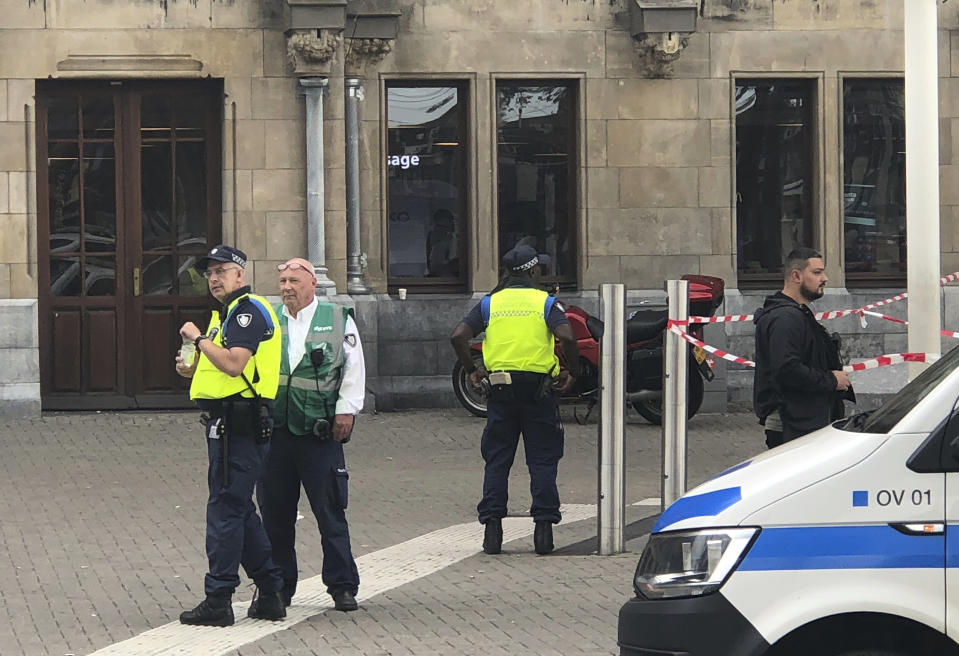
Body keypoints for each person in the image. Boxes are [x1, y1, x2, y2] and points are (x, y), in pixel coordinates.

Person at [174, 244, 286, 627]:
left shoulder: (247, 312)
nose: (215, 278)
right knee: (238, 510)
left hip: (241, 426)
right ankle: (271, 591)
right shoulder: (227, 314)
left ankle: (219, 598)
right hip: (226, 425)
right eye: (209, 273)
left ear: (241, 274)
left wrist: (199, 339)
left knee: (224, 511)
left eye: (222, 271)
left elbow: (235, 364)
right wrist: (192, 365)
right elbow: (220, 366)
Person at [450, 244, 580, 556]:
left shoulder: (490, 303)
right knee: (543, 459)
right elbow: (568, 337)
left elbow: (458, 336)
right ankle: (543, 532)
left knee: (497, 459)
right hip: (538, 391)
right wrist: (571, 371)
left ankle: (492, 532)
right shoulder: (545, 303)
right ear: (533, 271)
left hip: (500, 390)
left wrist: (472, 370)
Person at [256, 257, 363, 612]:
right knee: (275, 515)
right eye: (283, 281)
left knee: (330, 512)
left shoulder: (336, 318)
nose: (287, 287)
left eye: (294, 281)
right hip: (276, 433)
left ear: (312, 284)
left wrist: (347, 408)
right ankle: (278, 588)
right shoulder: (269, 319)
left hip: (320, 433)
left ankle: (343, 586)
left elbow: (353, 365)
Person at [753, 247, 854, 449]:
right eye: (816, 273)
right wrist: (831, 380)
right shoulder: (785, 318)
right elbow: (786, 369)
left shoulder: (797, 313)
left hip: (804, 421)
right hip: (793, 425)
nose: (824, 278)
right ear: (796, 275)